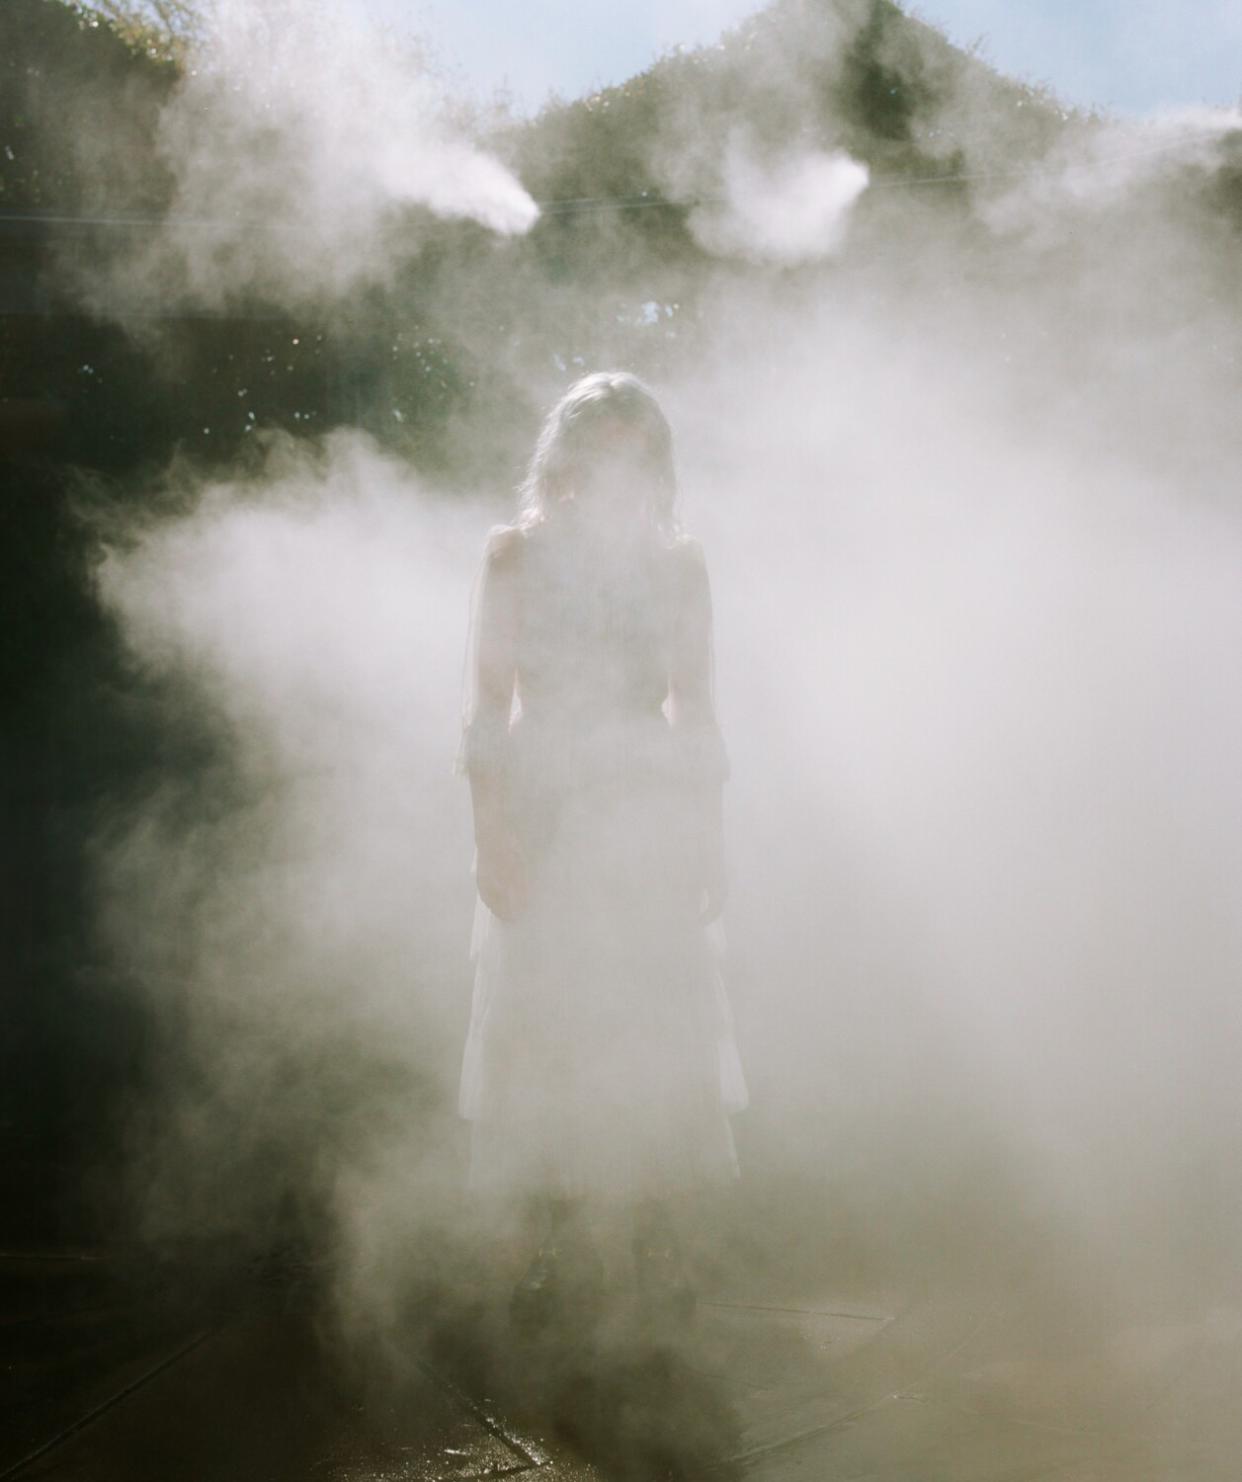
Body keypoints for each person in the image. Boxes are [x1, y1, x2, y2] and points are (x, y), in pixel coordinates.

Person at [456, 371, 747, 1330]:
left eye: (637, 450)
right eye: (599, 448)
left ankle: (641, 1252)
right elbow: (487, 713)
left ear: (654, 464)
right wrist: (489, 835)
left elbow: (696, 707)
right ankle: (542, 1254)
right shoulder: (514, 556)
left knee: (651, 1013)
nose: (615, 469)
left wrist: (708, 835)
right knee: (543, 1017)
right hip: (544, 802)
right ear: (565, 459)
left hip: (643, 805)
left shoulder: (679, 565)